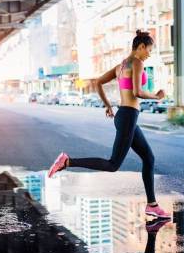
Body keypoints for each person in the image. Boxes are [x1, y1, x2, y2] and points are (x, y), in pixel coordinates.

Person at [47, 30, 171, 219]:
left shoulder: (120, 66)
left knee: (149, 158)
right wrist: (157, 96)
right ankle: (68, 161)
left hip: (125, 115)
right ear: (141, 47)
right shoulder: (137, 63)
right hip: (128, 116)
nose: (149, 54)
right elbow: (137, 91)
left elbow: (98, 82)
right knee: (113, 164)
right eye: (149, 50)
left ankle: (152, 205)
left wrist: (108, 105)